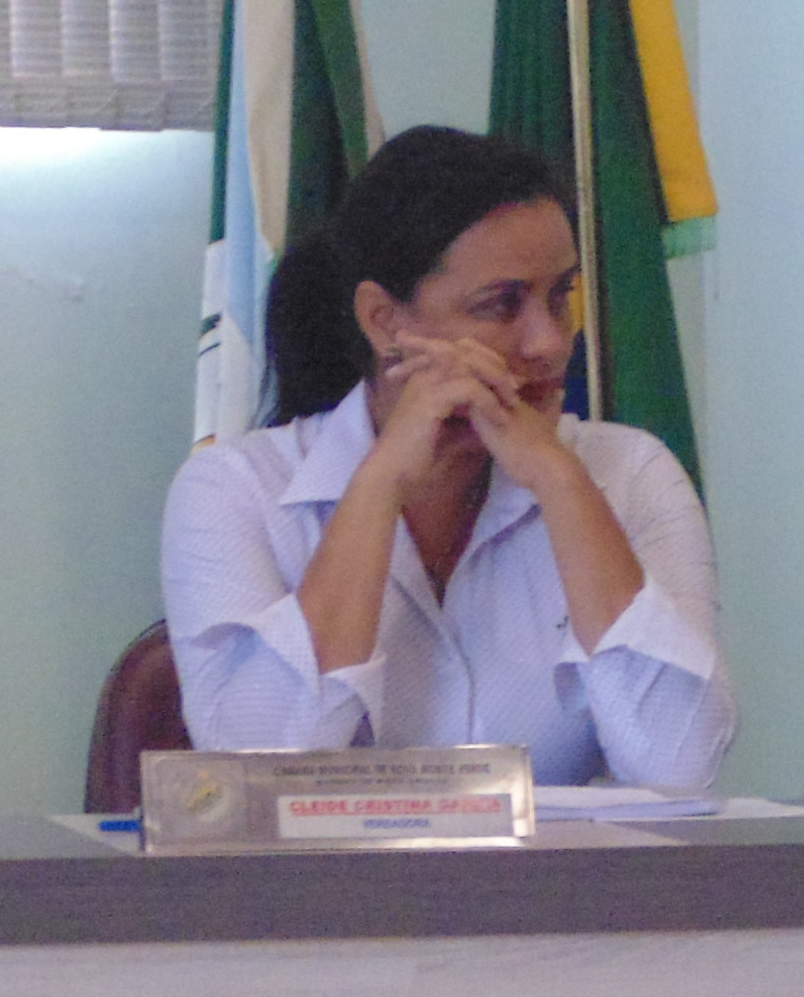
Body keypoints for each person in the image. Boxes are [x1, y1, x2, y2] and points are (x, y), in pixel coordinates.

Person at [162, 126, 734, 790]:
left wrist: (558, 479)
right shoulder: (235, 489)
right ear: (384, 322)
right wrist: (379, 484)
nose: (550, 343)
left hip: (558, 864)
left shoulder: (630, 473)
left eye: (560, 297)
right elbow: (255, 770)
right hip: (328, 865)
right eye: (502, 305)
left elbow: (679, 766)